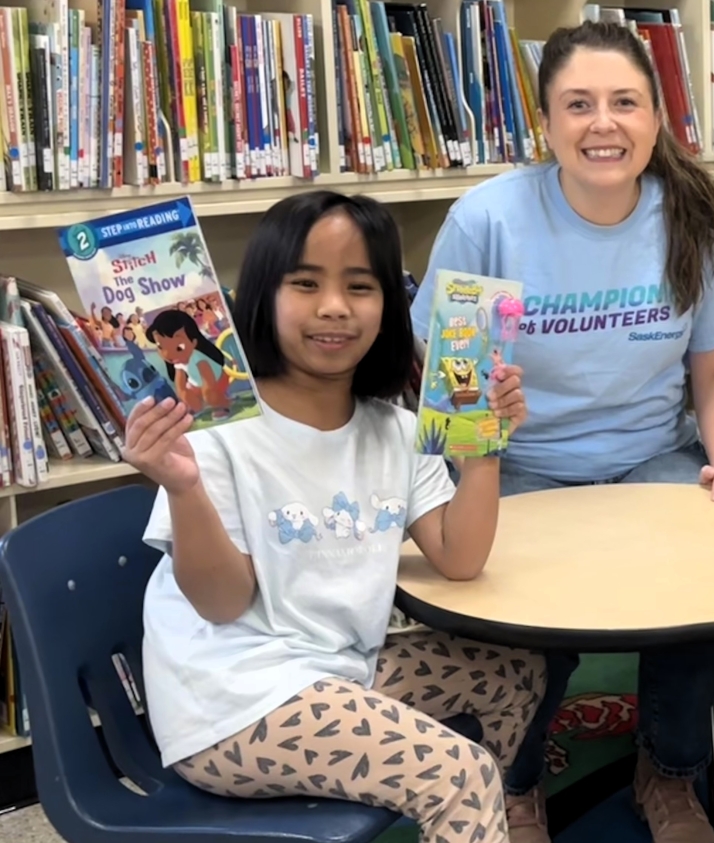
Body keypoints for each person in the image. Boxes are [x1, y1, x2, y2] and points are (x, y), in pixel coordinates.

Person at [412, 20, 714, 843]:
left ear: (655, 118)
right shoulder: (488, 219)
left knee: (712, 586)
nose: (602, 123)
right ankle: (516, 783)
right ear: (546, 124)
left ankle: (670, 771)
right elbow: (449, 377)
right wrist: (481, 427)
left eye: (624, 103)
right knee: (526, 628)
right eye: (579, 104)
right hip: (522, 466)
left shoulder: (694, 216)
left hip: (652, 460)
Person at [131, 190, 547, 843]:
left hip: (338, 671)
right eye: (305, 283)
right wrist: (183, 488)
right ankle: (472, 810)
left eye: (360, 286)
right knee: (458, 772)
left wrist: (484, 448)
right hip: (233, 700)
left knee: (515, 670)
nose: (334, 307)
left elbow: (458, 557)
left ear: (388, 306)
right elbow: (220, 601)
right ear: (263, 296)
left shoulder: (396, 429)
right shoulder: (216, 433)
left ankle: (495, 819)